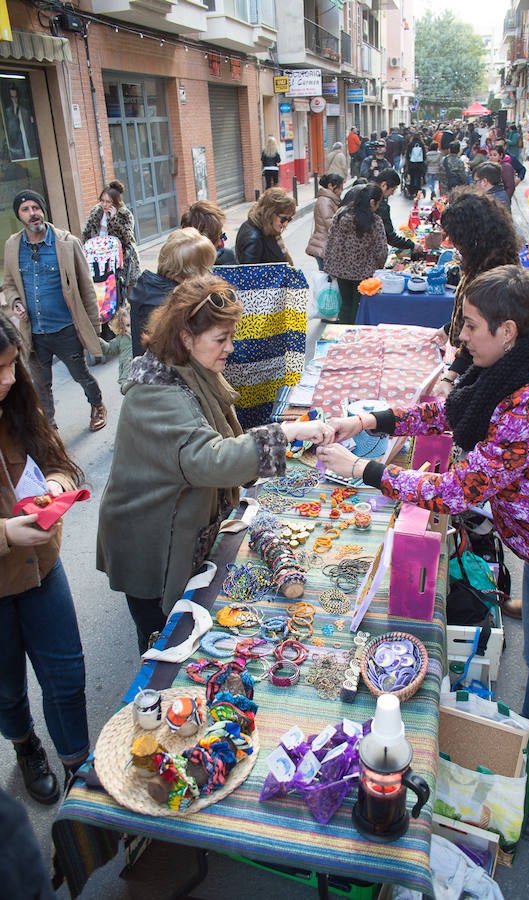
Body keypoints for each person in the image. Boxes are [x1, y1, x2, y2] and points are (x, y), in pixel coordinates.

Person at [318, 265, 529, 842]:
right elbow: (448, 412)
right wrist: (367, 420)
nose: (461, 336)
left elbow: (459, 491)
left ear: (507, 331)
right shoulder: (512, 367)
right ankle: (528, 746)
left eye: (471, 326)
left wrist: (365, 468)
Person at [96, 275, 333, 653]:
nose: (230, 348)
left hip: (177, 526)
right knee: (162, 638)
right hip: (150, 540)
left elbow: (220, 442)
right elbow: (210, 459)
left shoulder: (192, 371)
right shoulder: (156, 393)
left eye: (231, 337)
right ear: (185, 338)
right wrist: (285, 434)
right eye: (221, 339)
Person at [0, 315, 89, 804]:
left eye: (11, 365)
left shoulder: (18, 400)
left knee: (66, 676)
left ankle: (78, 769)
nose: (7, 380)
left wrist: (55, 485)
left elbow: (56, 460)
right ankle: (25, 746)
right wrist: (6, 533)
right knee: (7, 688)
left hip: (43, 570)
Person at [3, 190, 107, 432]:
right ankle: (49, 427)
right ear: (19, 215)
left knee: (80, 374)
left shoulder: (67, 243)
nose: (32, 214)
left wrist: (94, 327)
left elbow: (86, 287)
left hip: (66, 329)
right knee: (41, 384)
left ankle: (97, 404)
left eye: (36, 208)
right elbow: (8, 283)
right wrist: (15, 301)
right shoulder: (12, 246)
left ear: (43, 210)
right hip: (34, 332)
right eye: (26, 210)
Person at [434, 190, 520, 397]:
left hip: (486, 371)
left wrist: (450, 376)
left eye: (456, 237)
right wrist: (449, 328)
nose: (452, 243)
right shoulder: (479, 259)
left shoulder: (495, 272)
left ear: (472, 235)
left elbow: (482, 331)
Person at [129, 228, 216, 357]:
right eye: (207, 268)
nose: (209, 273)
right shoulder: (179, 302)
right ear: (194, 271)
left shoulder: (146, 287)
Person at [323, 183, 388, 325]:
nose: (378, 207)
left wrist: (329, 266)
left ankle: (343, 333)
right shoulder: (374, 221)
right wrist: (379, 267)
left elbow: (330, 241)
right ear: (372, 202)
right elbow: (381, 250)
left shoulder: (341, 214)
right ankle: (354, 333)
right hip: (364, 273)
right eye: (378, 203)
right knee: (359, 307)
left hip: (341, 271)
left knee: (345, 304)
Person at [81, 179, 140, 288]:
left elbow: (126, 238)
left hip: (118, 257)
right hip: (97, 256)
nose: (104, 204)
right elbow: (86, 233)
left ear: (116, 202)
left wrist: (113, 220)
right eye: (102, 201)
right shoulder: (96, 211)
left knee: (119, 288)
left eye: (108, 202)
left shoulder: (124, 214)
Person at [235, 187, 295, 265]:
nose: (285, 224)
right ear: (270, 214)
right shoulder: (254, 238)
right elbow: (249, 271)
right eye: (283, 219)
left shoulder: (269, 229)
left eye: (289, 219)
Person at [373, 169, 422, 255]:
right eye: (392, 190)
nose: (392, 194)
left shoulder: (364, 192)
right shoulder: (380, 204)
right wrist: (412, 245)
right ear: (384, 185)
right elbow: (390, 237)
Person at [305, 173, 344, 270]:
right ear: (330, 186)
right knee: (326, 276)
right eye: (339, 188)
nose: (341, 191)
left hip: (326, 244)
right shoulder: (325, 201)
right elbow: (330, 223)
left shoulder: (330, 200)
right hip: (324, 245)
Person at [180, 199, 236, 266]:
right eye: (216, 238)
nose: (221, 243)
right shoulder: (226, 259)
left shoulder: (176, 262)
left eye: (222, 235)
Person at [98, 302, 133, 391]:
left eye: (133, 323)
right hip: (127, 377)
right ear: (122, 327)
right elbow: (109, 349)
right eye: (128, 325)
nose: (132, 328)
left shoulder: (144, 335)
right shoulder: (121, 338)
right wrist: (98, 340)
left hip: (142, 374)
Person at [406, 134, 426, 198]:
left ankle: (412, 192)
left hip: (412, 164)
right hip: (419, 165)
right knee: (418, 178)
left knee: (412, 178)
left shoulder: (410, 144)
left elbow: (407, 155)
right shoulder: (421, 144)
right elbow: (424, 156)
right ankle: (418, 191)